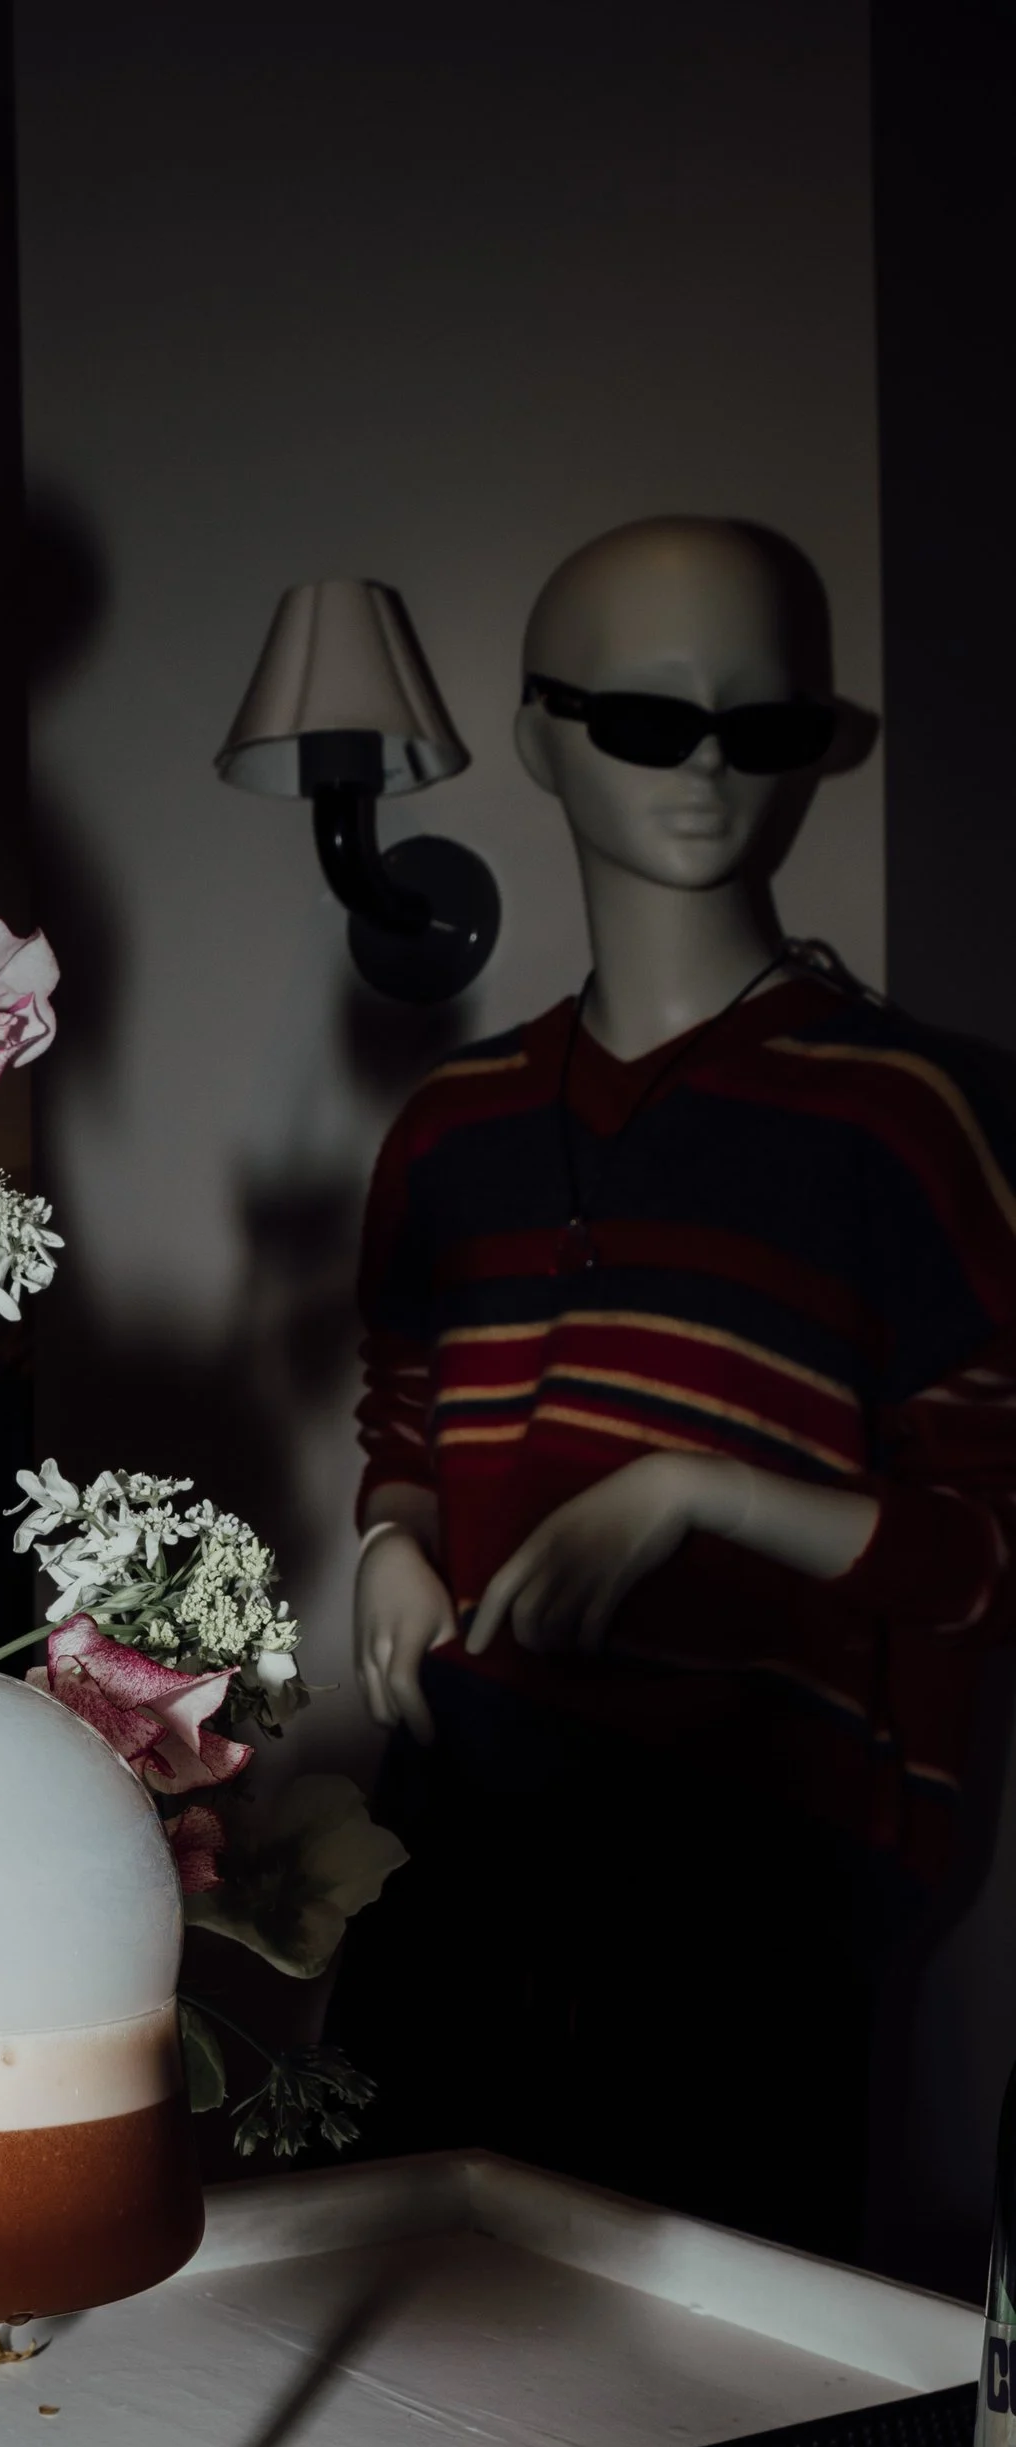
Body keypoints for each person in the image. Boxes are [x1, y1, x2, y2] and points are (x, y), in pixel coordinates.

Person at [327, 516, 1016, 2253]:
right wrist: (390, 1535)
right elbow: (402, 1410)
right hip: (460, 1827)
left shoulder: (910, 1120)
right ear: (545, 735)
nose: (706, 771)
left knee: (715, 2350)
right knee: (404, 2289)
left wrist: (696, 1493)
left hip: (758, 1870)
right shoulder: (452, 1129)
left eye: (758, 726)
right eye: (647, 721)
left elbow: (987, 1548)